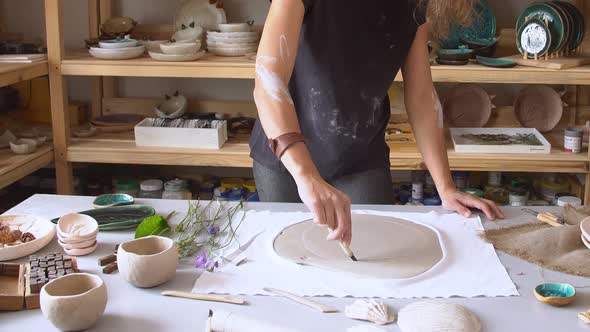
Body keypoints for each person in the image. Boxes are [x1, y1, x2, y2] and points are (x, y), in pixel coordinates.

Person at [249, 0, 505, 247]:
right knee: (294, 262)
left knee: (375, 260)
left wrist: (446, 188)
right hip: (286, 157)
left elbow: (422, 97)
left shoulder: (416, 4)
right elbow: (269, 81)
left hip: (361, 156)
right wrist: (306, 174)